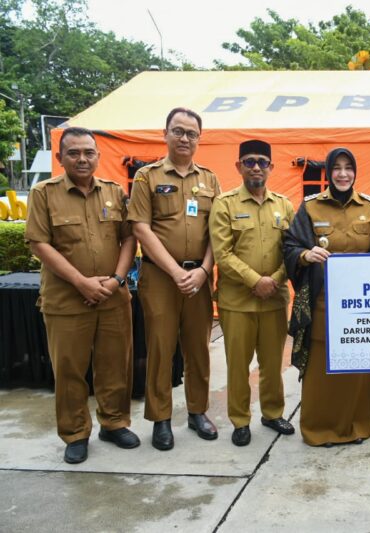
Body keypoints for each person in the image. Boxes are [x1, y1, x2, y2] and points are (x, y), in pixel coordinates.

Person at [25, 127, 139, 463]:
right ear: (59, 158)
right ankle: (75, 433)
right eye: (74, 153)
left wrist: (117, 279)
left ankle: (114, 422)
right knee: (70, 370)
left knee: (115, 365)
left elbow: (129, 239)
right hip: (66, 301)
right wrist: (81, 282)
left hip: (113, 298)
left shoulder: (115, 192)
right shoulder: (44, 194)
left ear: (98, 156)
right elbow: (39, 244)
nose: (82, 159)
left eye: (89, 152)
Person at [284, 147, 370, 447]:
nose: (343, 173)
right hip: (324, 304)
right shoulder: (310, 207)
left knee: (358, 369)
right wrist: (306, 254)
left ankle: (356, 426)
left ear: (355, 172)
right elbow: (289, 246)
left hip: (362, 308)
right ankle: (320, 430)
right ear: (329, 171)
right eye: (337, 168)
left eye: (349, 168)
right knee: (323, 369)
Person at [128, 107, 221, 450]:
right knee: (161, 348)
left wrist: (202, 270)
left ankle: (198, 412)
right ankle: (160, 419)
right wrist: (175, 271)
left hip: (198, 277)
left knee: (199, 348)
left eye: (191, 133)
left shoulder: (210, 180)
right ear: (164, 134)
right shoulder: (146, 176)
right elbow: (140, 227)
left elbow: (218, 231)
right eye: (178, 131)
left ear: (200, 138)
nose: (184, 138)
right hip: (160, 278)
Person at [210, 140, 295, 447]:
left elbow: (292, 250)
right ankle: (240, 420)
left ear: (271, 167)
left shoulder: (283, 205)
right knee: (238, 365)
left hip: (274, 300)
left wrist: (273, 280)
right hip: (237, 302)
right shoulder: (225, 204)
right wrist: (254, 281)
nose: (256, 167)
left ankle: (272, 413)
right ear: (239, 167)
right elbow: (223, 253)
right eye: (249, 161)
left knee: (273, 364)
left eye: (262, 162)